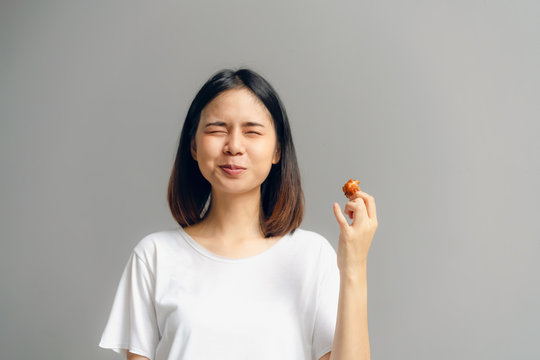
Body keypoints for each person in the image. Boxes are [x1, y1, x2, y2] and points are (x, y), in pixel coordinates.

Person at [98, 68, 377, 360]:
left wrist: (354, 266)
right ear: (193, 145)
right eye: (217, 129)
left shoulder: (313, 256)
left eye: (252, 131)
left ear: (277, 151)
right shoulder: (154, 256)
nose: (233, 146)